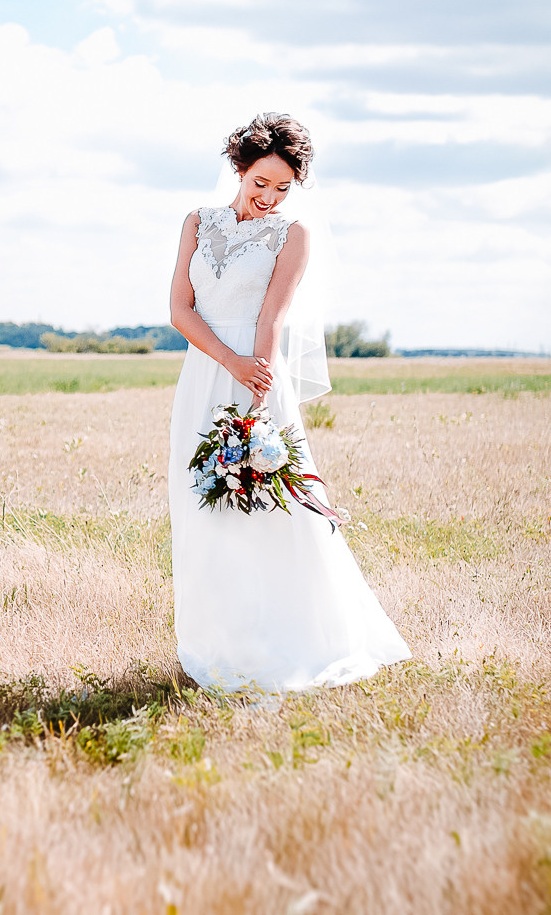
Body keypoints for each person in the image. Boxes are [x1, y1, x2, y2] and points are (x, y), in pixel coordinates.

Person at [167, 113, 410, 692]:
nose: (270, 198)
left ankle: (297, 637)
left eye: (282, 188)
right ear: (239, 169)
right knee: (199, 510)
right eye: (261, 184)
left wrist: (254, 389)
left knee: (275, 513)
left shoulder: (292, 235)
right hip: (205, 375)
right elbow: (179, 310)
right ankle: (215, 641)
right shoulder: (197, 223)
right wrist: (228, 363)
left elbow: (273, 314)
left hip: (257, 379)